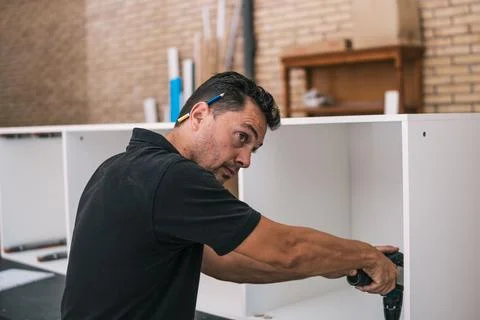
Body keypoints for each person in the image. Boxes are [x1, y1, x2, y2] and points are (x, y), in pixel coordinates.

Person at [61, 71, 397, 319]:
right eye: (241, 137)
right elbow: (286, 249)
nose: (246, 160)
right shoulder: (174, 177)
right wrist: (364, 256)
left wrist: (329, 264)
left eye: (255, 148)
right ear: (199, 115)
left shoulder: (121, 166)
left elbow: (224, 261)